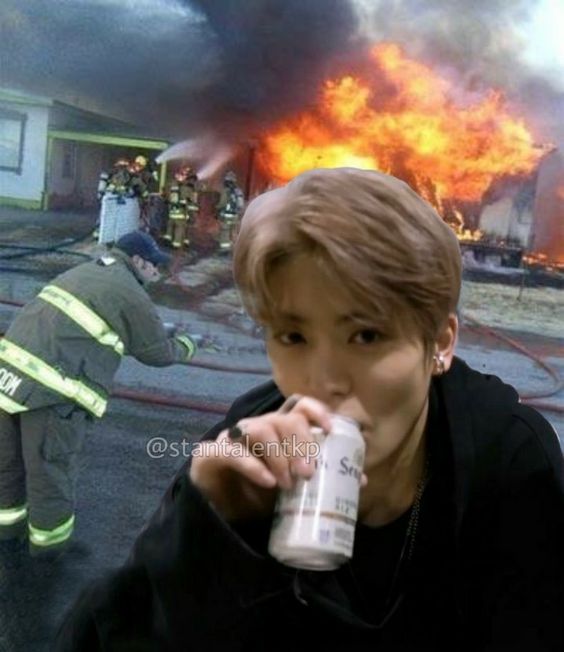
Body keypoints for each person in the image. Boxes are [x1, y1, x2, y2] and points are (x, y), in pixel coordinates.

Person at [56, 169, 564, 650]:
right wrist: (205, 532)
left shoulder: (507, 459)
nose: (322, 383)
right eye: (293, 336)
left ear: (441, 343)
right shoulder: (244, 446)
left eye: (367, 335)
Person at [0, 230, 201, 558]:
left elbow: (95, 318)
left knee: (8, 464)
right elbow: (158, 353)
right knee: (50, 472)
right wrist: (189, 344)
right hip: (50, 394)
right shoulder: (130, 293)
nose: (158, 271)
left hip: (7, 380)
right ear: (137, 261)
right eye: (154, 264)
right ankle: (49, 553)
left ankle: (7, 533)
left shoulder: (87, 271)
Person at [216, 170, 245, 252]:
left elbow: (222, 203)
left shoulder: (226, 191)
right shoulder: (238, 191)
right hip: (235, 215)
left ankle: (224, 249)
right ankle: (234, 249)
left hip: (226, 215)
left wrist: (216, 208)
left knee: (225, 231)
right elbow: (241, 205)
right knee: (234, 232)